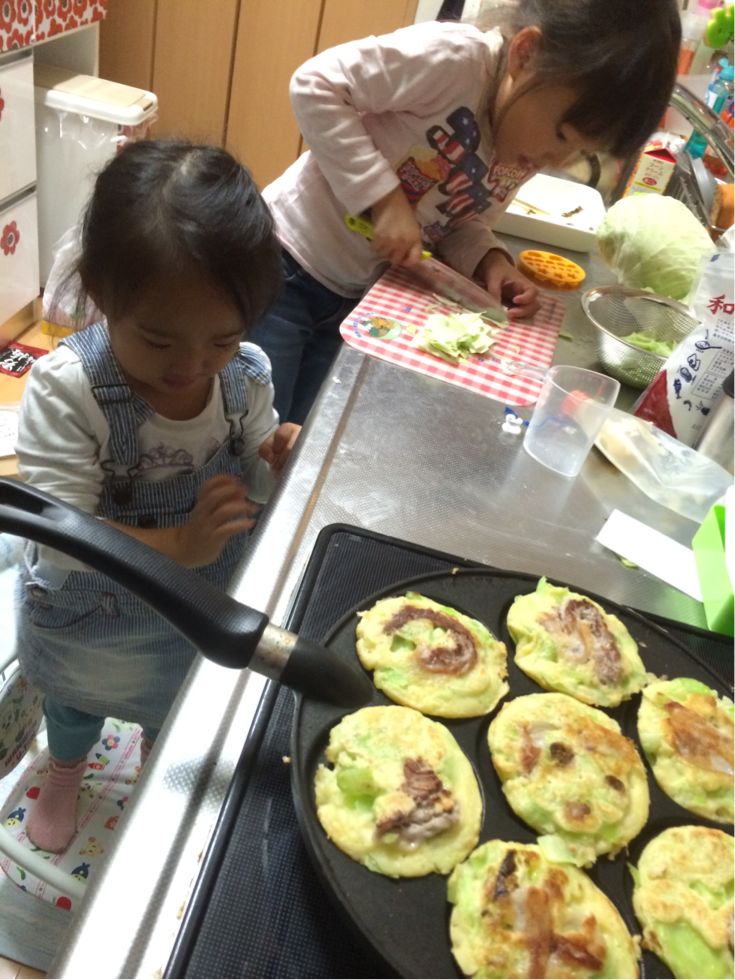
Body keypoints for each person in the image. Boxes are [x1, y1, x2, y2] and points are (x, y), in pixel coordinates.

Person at [14, 139, 299, 853]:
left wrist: (278, 461)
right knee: (76, 699)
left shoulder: (245, 378)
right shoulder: (69, 390)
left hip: (191, 604)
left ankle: (154, 767)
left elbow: (252, 483)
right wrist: (176, 545)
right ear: (102, 293)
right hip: (88, 610)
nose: (192, 366)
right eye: (159, 340)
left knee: (171, 701)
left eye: (222, 339)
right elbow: (59, 533)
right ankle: (65, 768)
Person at [250, 0, 681, 425]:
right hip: (287, 265)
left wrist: (489, 260)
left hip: (358, 296)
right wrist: (384, 199)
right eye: (562, 136)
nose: (557, 160)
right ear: (526, 54)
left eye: (581, 153)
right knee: (256, 429)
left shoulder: (524, 147)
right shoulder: (453, 61)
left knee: (303, 432)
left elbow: (454, 218)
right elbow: (315, 85)